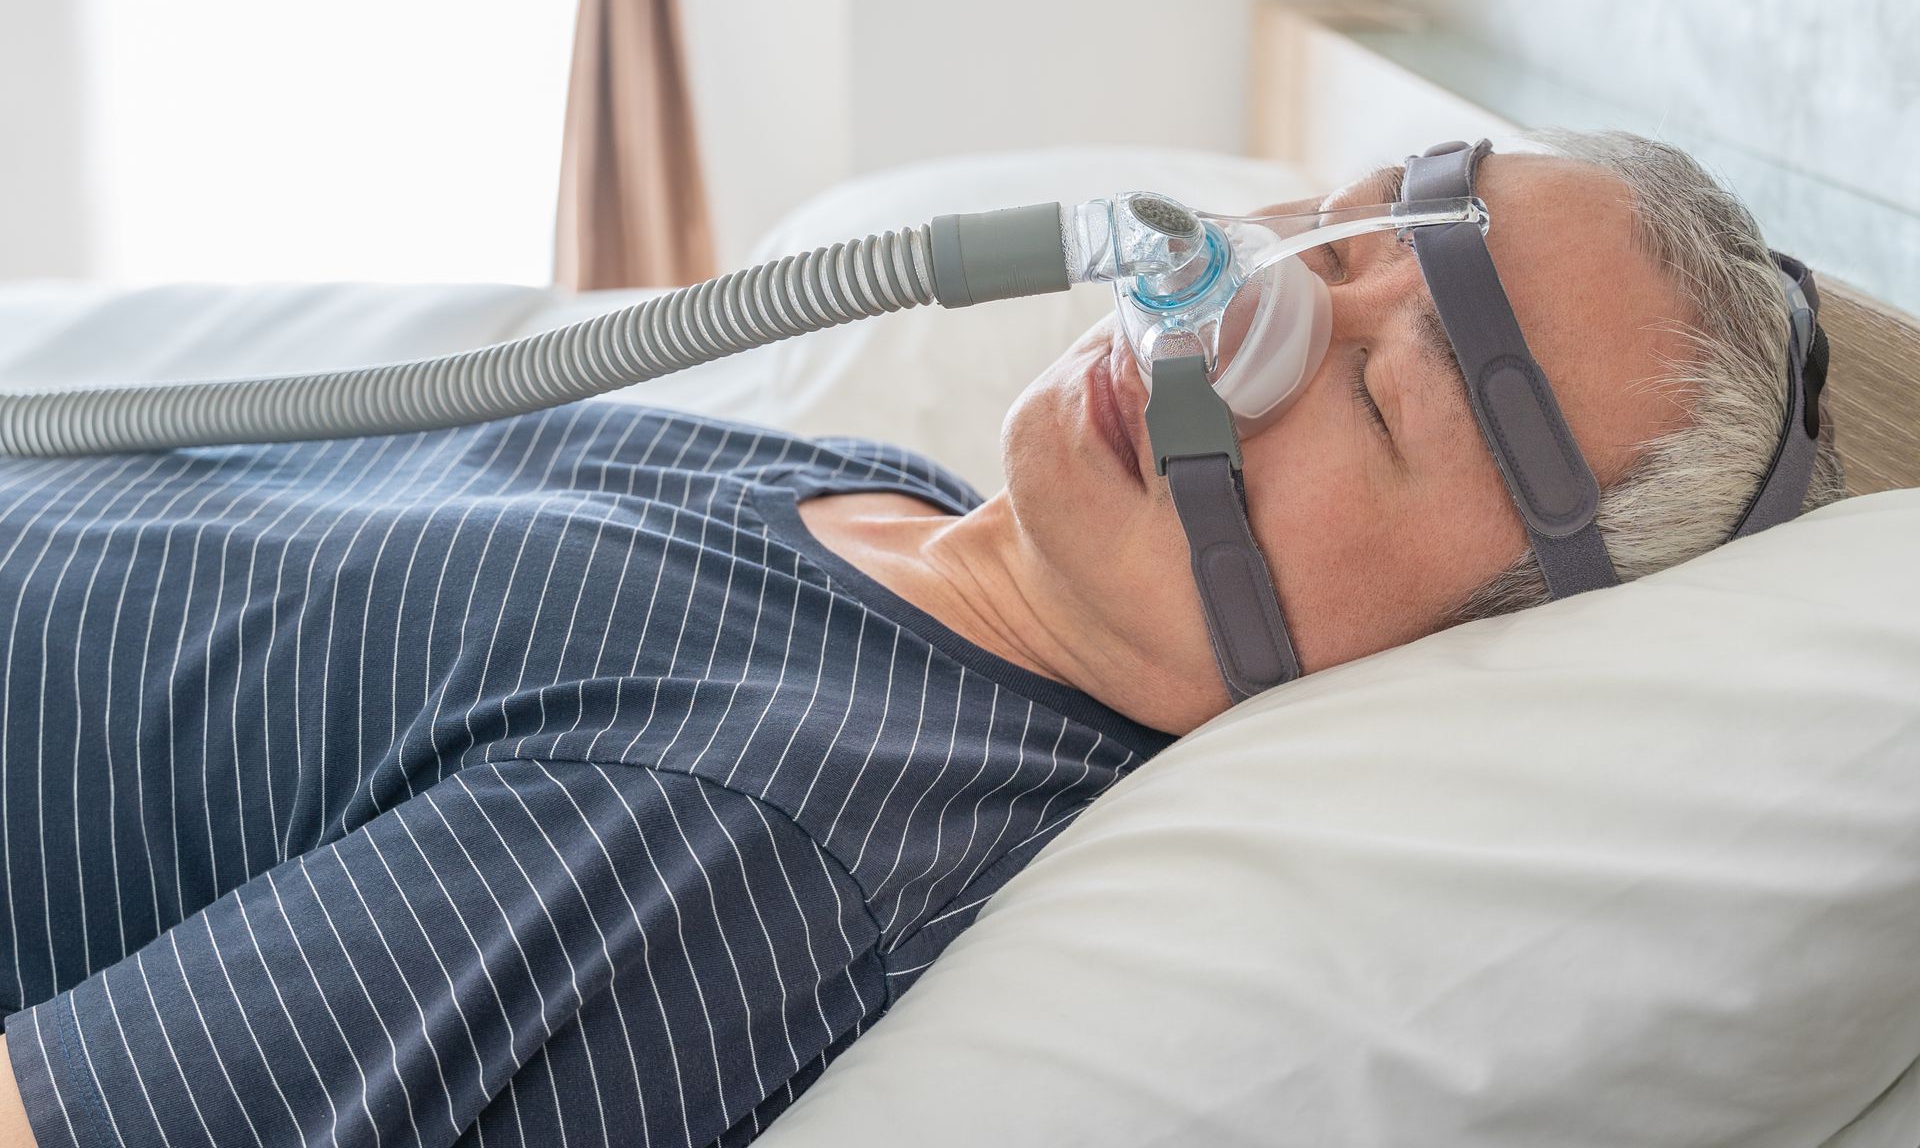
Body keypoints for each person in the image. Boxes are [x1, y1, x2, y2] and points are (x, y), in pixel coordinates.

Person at [0, 131, 1842, 1147]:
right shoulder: (893, 508)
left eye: (1372, 397)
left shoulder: (769, 832)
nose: (1239, 312)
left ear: (1449, 658)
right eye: (1343, 234)